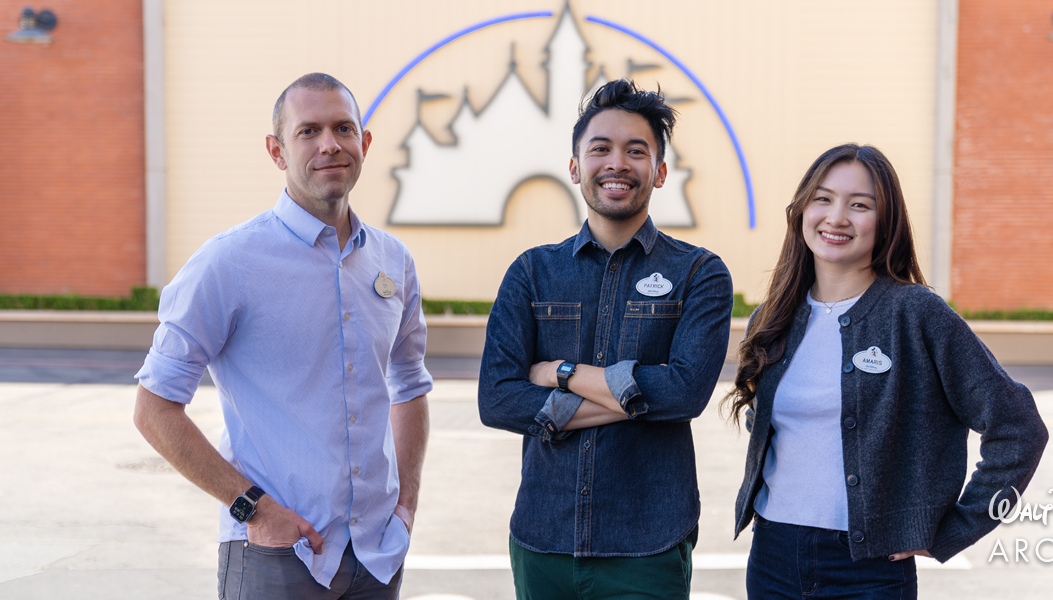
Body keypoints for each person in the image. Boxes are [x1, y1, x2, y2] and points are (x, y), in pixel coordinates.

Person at [133, 73, 431, 599]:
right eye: (308, 131)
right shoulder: (228, 263)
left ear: (364, 143)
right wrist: (255, 508)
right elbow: (154, 409)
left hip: (377, 555)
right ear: (277, 151)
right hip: (275, 554)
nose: (329, 144)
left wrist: (405, 505)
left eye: (343, 128)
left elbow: (409, 385)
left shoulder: (393, 262)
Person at [727, 144, 1049, 599]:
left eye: (859, 205)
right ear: (801, 210)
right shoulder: (774, 316)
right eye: (823, 199)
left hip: (870, 572)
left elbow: (1019, 428)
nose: (836, 217)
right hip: (774, 557)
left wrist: (956, 527)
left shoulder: (916, 314)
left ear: (886, 221)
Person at [478, 79, 733, 599]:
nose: (617, 163)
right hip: (544, 538)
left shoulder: (700, 274)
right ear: (575, 168)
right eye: (600, 148)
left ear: (659, 173)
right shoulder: (530, 273)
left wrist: (561, 374)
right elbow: (498, 399)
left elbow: (686, 394)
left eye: (636, 151)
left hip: (649, 544)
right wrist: (639, 397)